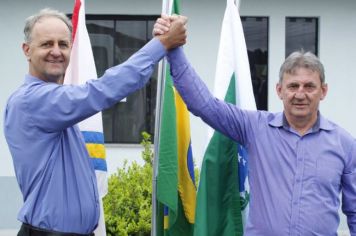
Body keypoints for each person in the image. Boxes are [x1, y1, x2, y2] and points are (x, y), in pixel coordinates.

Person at [154, 16, 356, 235]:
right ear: (279, 90)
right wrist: (171, 47)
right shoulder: (255, 128)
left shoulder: (344, 144)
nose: (300, 94)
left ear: (323, 91)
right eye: (293, 86)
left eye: (309, 86)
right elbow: (205, 106)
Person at [4, 8, 187, 236]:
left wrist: (160, 43)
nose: (56, 51)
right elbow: (102, 91)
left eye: (63, 44)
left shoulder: (56, 105)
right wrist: (160, 45)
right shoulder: (32, 101)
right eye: (46, 44)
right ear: (27, 50)